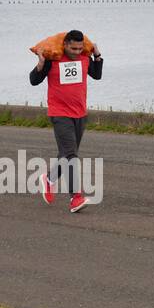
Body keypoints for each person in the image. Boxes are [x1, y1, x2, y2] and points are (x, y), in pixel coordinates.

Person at [30, 30, 102, 213]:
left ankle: (49, 180)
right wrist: (40, 64)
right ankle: (75, 197)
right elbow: (33, 81)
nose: (77, 51)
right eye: (73, 48)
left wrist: (98, 56)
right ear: (65, 45)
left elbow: (97, 75)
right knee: (71, 155)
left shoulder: (85, 58)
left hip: (80, 114)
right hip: (60, 113)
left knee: (67, 153)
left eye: (80, 48)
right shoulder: (53, 59)